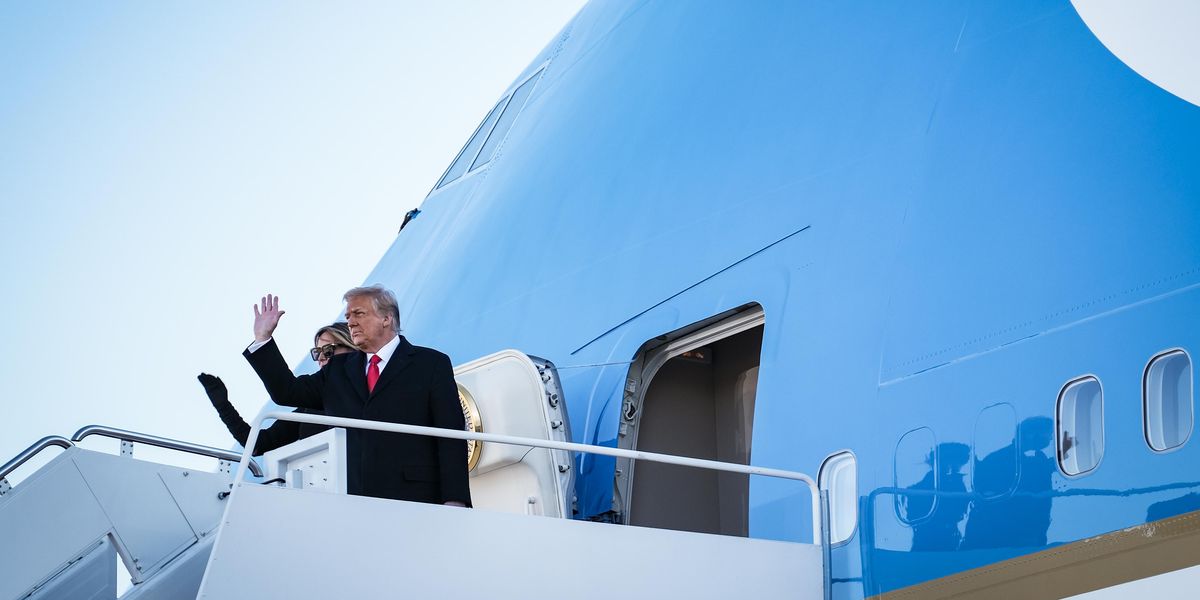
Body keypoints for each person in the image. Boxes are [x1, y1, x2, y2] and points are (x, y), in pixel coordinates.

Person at [243, 287, 471, 507]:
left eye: (359, 314)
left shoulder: (431, 363)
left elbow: (450, 434)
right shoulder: (337, 370)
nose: (351, 322)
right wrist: (263, 338)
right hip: (349, 499)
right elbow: (287, 392)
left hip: (415, 497)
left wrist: (455, 498)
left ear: (386, 318)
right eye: (348, 316)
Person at [199, 322, 356, 455]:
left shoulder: (371, 387)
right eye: (317, 352)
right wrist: (222, 405)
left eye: (328, 350)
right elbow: (257, 444)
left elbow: (287, 390)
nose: (321, 358)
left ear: (353, 348)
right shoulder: (309, 407)